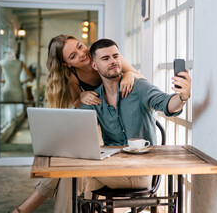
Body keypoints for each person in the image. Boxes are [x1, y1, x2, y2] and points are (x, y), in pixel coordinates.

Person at [53, 38, 191, 212]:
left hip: (141, 171)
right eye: (105, 59)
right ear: (94, 66)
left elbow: (166, 103)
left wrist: (182, 97)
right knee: (69, 179)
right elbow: (79, 134)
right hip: (111, 168)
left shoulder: (139, 87)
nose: (113, 61)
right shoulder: (93, 99)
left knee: (73, 178)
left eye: (115, 56)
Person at [12, 35, 143, 213]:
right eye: (73, 56)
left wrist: (128, 74)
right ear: (67, 64)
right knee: (69, 161)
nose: (82, 54)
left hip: (117, 121)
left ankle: (25, 209)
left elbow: (139, 77)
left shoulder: (104, 57)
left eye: (80, 46)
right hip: (98, 120)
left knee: (70, 166)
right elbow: (76, 100)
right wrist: (81, 95)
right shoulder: (73, 76)